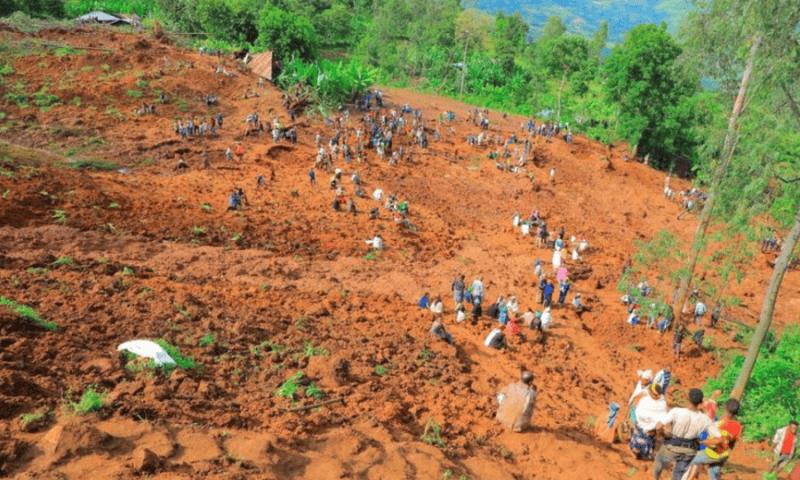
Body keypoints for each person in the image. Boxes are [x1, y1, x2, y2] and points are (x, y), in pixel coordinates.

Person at [653, 389, 722, 480]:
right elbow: (720, 439)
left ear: (688, 398)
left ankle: (656, 478)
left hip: (672, 446)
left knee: (659, 459)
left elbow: (658, 427)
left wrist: (662, 435)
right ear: (701, 402)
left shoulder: (676, 411)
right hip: (690, 450)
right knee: (679, 472)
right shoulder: (705, 419)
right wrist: (702, 441)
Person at [685, 399, 742, 480]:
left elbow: (717, 441)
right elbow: (732, 444)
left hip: (711, 454)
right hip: (723, 455)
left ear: (725, 407)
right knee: (713, 476)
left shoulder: (720, 424)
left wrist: (701, 441)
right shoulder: (737, 426)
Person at [629, 383, 668, 459]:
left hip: (643, 428)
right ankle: (645, 451)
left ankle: (636, 448)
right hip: (650, 430)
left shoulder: (645, 400)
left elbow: (638, 413)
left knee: (634, 415)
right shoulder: (662, 403)